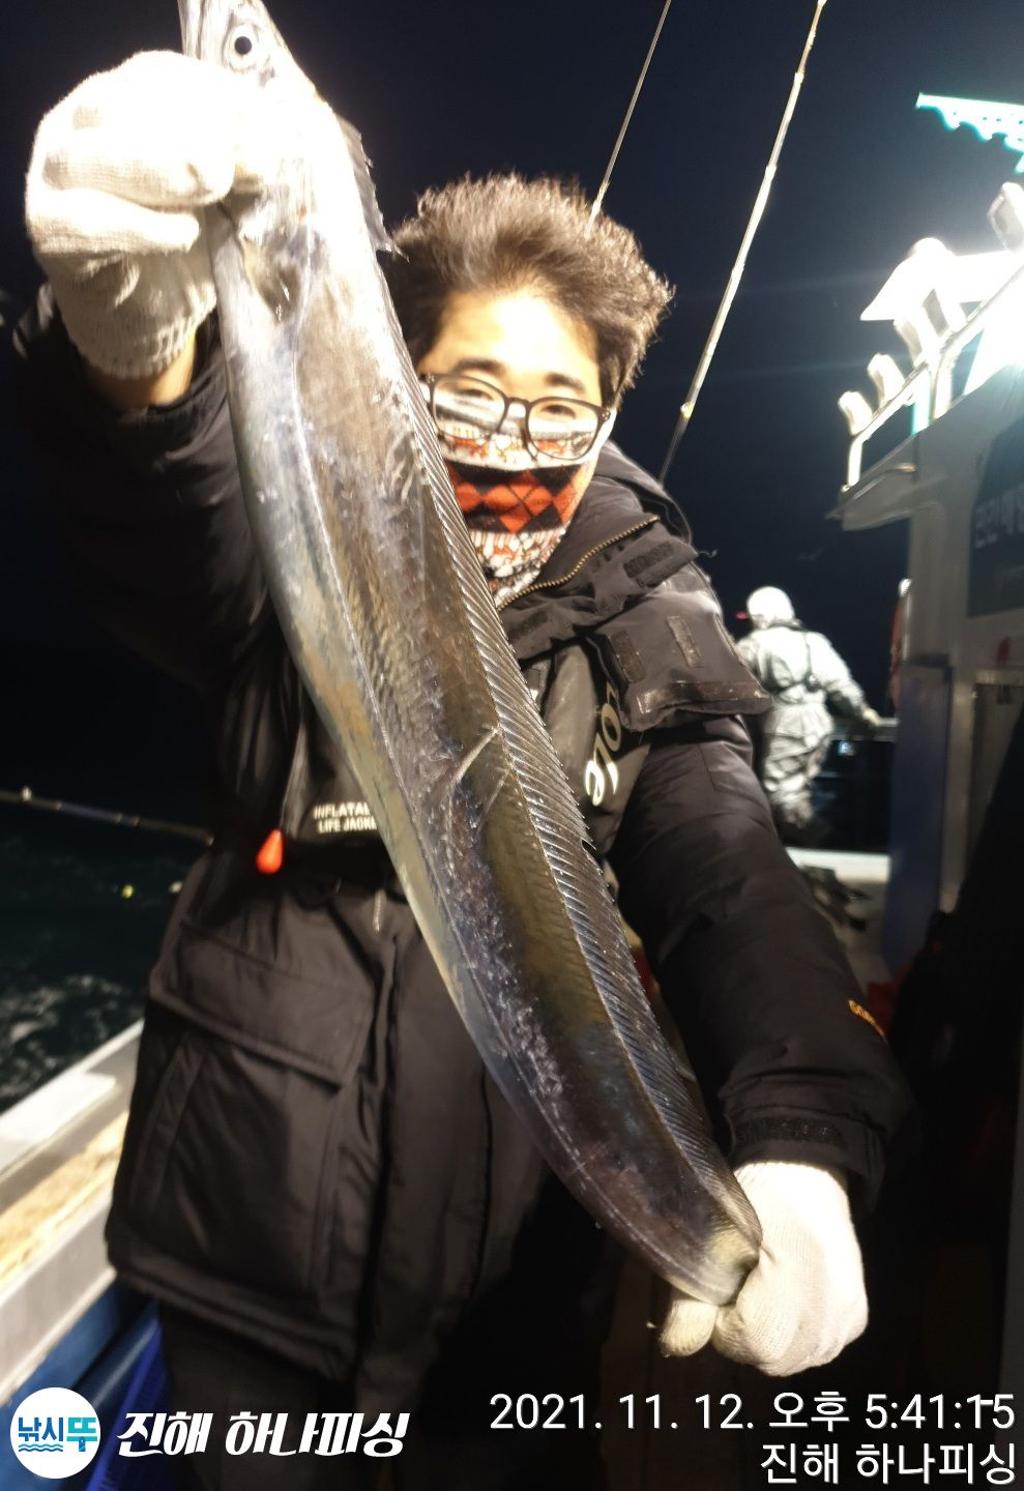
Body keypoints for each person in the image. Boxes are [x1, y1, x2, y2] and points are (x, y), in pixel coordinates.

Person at [17, 52, 910, 1490]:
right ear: (399, 383)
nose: (515, 438)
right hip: (246, 1274)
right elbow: (168, 516)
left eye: (559, 401)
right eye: (472, 390)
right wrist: (132, 338)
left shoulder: (645, 617)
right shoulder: (308, 543)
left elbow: (728, 871)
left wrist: (802, 1136)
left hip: (505, 1322)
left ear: (607, 416)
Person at [737, 585, 883, 845]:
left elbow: (732, 686)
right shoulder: (813, 641)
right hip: (818, 721)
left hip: (785, 722)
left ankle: (828, 841)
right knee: (797, 791)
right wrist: (862, 711)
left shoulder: (753, 644)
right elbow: (839, 683)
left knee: (780, 795)